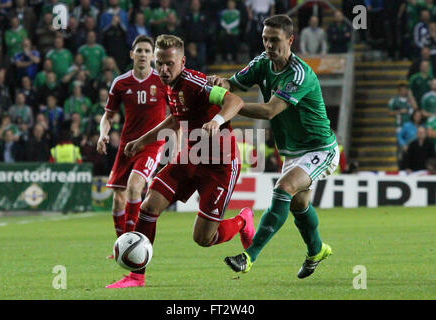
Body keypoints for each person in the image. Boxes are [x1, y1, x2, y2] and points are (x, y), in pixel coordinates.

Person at [106, 34, 254, 289]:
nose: (163, 69)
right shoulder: (167, 84)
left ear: (182, 61)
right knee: (149, 206)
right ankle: (136, 276)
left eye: (169, 64)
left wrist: (217, 121)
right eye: (159, 63)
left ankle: (242, 221)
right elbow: (176, 119)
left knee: (204, 238)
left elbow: (235, 101)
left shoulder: (196, 83)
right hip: (188, 159)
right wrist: (142, 141)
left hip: (220, 165)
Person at [208, 14, 339, 278]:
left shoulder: (299, 74)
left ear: (290, 40)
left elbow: (270, 111)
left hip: (320, 149)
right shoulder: (262, 63)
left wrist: (232, 107)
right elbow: (234, 83)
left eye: (275, 40)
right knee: (298, 205)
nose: (269, 45)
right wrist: (219, 83)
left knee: (284, 188)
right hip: (292, 152)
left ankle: (249, 255)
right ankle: (317, 250)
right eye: (265, 39)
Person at [96, 35, 167, 251]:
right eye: (140, 51)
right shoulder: (120, 82)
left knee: (135, 188)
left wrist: (179, 143)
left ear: (153, 56)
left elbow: (176, 114)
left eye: (148, 51)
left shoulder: (162, 81)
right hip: (127, 146)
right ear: (132, 54)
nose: (143, 55)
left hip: (152, 145)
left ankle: (134, 245)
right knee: (118, 199)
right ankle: (122, 247)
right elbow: (108, 116)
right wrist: (103, 134)